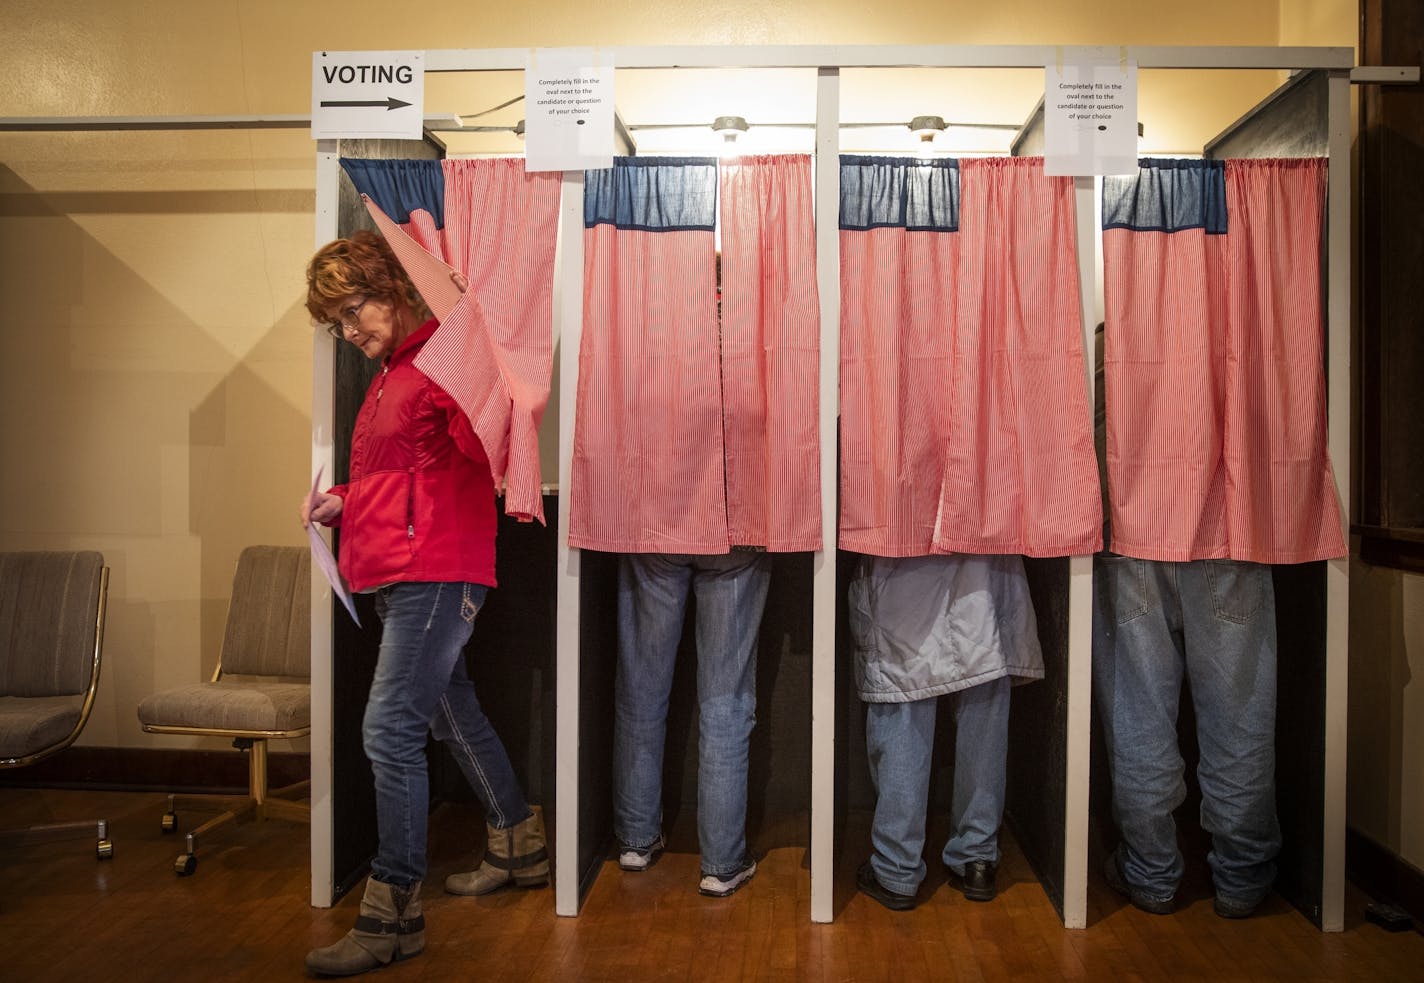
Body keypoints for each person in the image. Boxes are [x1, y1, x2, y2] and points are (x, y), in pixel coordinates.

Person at [301, 231, 547, 976]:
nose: (351, 332)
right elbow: (396, 477)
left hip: (437, 569)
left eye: (355, 310)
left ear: (392, 288)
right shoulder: (389, 377)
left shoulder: (441, 365)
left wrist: (473, 339)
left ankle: (392, 912)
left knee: (389, 728)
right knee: (447, 712)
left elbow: (488, 444)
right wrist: (341, 499)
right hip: (398, 568)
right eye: (338, 322)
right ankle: (519, 841)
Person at [1092, 324, 1281, 920]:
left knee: (1138, 717)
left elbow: (1093, 440)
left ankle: (1150, 873)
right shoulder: (1243, 313)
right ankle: (1242, 878)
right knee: (1239, 717)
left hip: (1132, 533)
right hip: (1229, 532)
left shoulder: (1116, 329)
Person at [849, 553, 1044, 911]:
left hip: (902, 556)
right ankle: (977, 859)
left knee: (904, 698)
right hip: (984, 557)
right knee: (983, 702)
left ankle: (897, 868)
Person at [614, 549, 771, 897]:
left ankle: (636, 842)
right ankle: (722, 864)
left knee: (641, 691)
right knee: (726, 701)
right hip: (734, 529)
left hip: (655, 520)